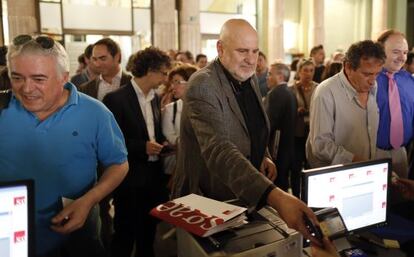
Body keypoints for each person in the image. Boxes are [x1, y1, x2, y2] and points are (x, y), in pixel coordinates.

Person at [172, 19, 319, 243]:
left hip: (241, 195)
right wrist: (276, 196)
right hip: (208, 197)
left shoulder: (246, 76)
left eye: (255, 51)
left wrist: (263, 155)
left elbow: (254, 124)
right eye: (242, 51)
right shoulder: (202, 84)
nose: (251, 59)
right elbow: (219, 150)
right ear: (220, 49)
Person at [0, 34, 128, 257]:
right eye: (17, 78)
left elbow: (118, 164)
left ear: (64, 77)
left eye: (39, 79)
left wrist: (89, 200)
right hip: (11, 240)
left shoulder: (95, 112)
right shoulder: (1, 108)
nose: (26, 89)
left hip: (78, 237)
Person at [103, 46, 171, 257]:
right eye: (163, 73)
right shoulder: (116, 99)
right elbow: (112, 141)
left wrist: (165, 145)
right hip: (129, 178)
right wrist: (142, 147)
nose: (165, 79)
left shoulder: (156, 98)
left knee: (148, 233)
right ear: (151, 70)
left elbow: (153, 133)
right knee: (125, 232)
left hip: (153, 176)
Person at [306, 40, 385, 168]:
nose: (372, 80)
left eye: (377, 74)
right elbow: (321, 146)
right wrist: (357, 161)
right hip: (335, 177)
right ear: (348, 67)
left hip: (366, 171)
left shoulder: (373, 86)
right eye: (367, 74)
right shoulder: (326, 92)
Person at [376, 30, 414, 178]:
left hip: (401, 153)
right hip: (372, 153)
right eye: (396, 52)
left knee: (401, 198)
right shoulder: (367, 80)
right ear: (380, 51)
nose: (402, 58)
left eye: (405, 52)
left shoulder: (409, 81)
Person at [263, 62, 297, 196]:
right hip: (288, 148)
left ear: (280, 76)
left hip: (276, 150)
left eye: (270, 74)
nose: (267, 77)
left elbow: (268, 124)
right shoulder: (290, 93)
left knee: (276, 187)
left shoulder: (276, 93)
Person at [162, 64, 198, 176]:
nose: (173, 86)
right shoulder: (170, 109)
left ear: (191, 82)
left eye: (177, 82)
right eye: (172, 82)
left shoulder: (205, 107)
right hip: (178, 164)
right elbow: (169, 135)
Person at [290, 58, 317, 177]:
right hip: (297, 132)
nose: (308, 74)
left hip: (312, 132)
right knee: (296, 165)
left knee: (310, 165)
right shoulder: (291, 89)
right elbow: (286, 111)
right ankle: (296, 194)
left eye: (311, 70)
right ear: (299, 72)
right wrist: (295, 111)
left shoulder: (318, 88)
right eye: (305, 70)